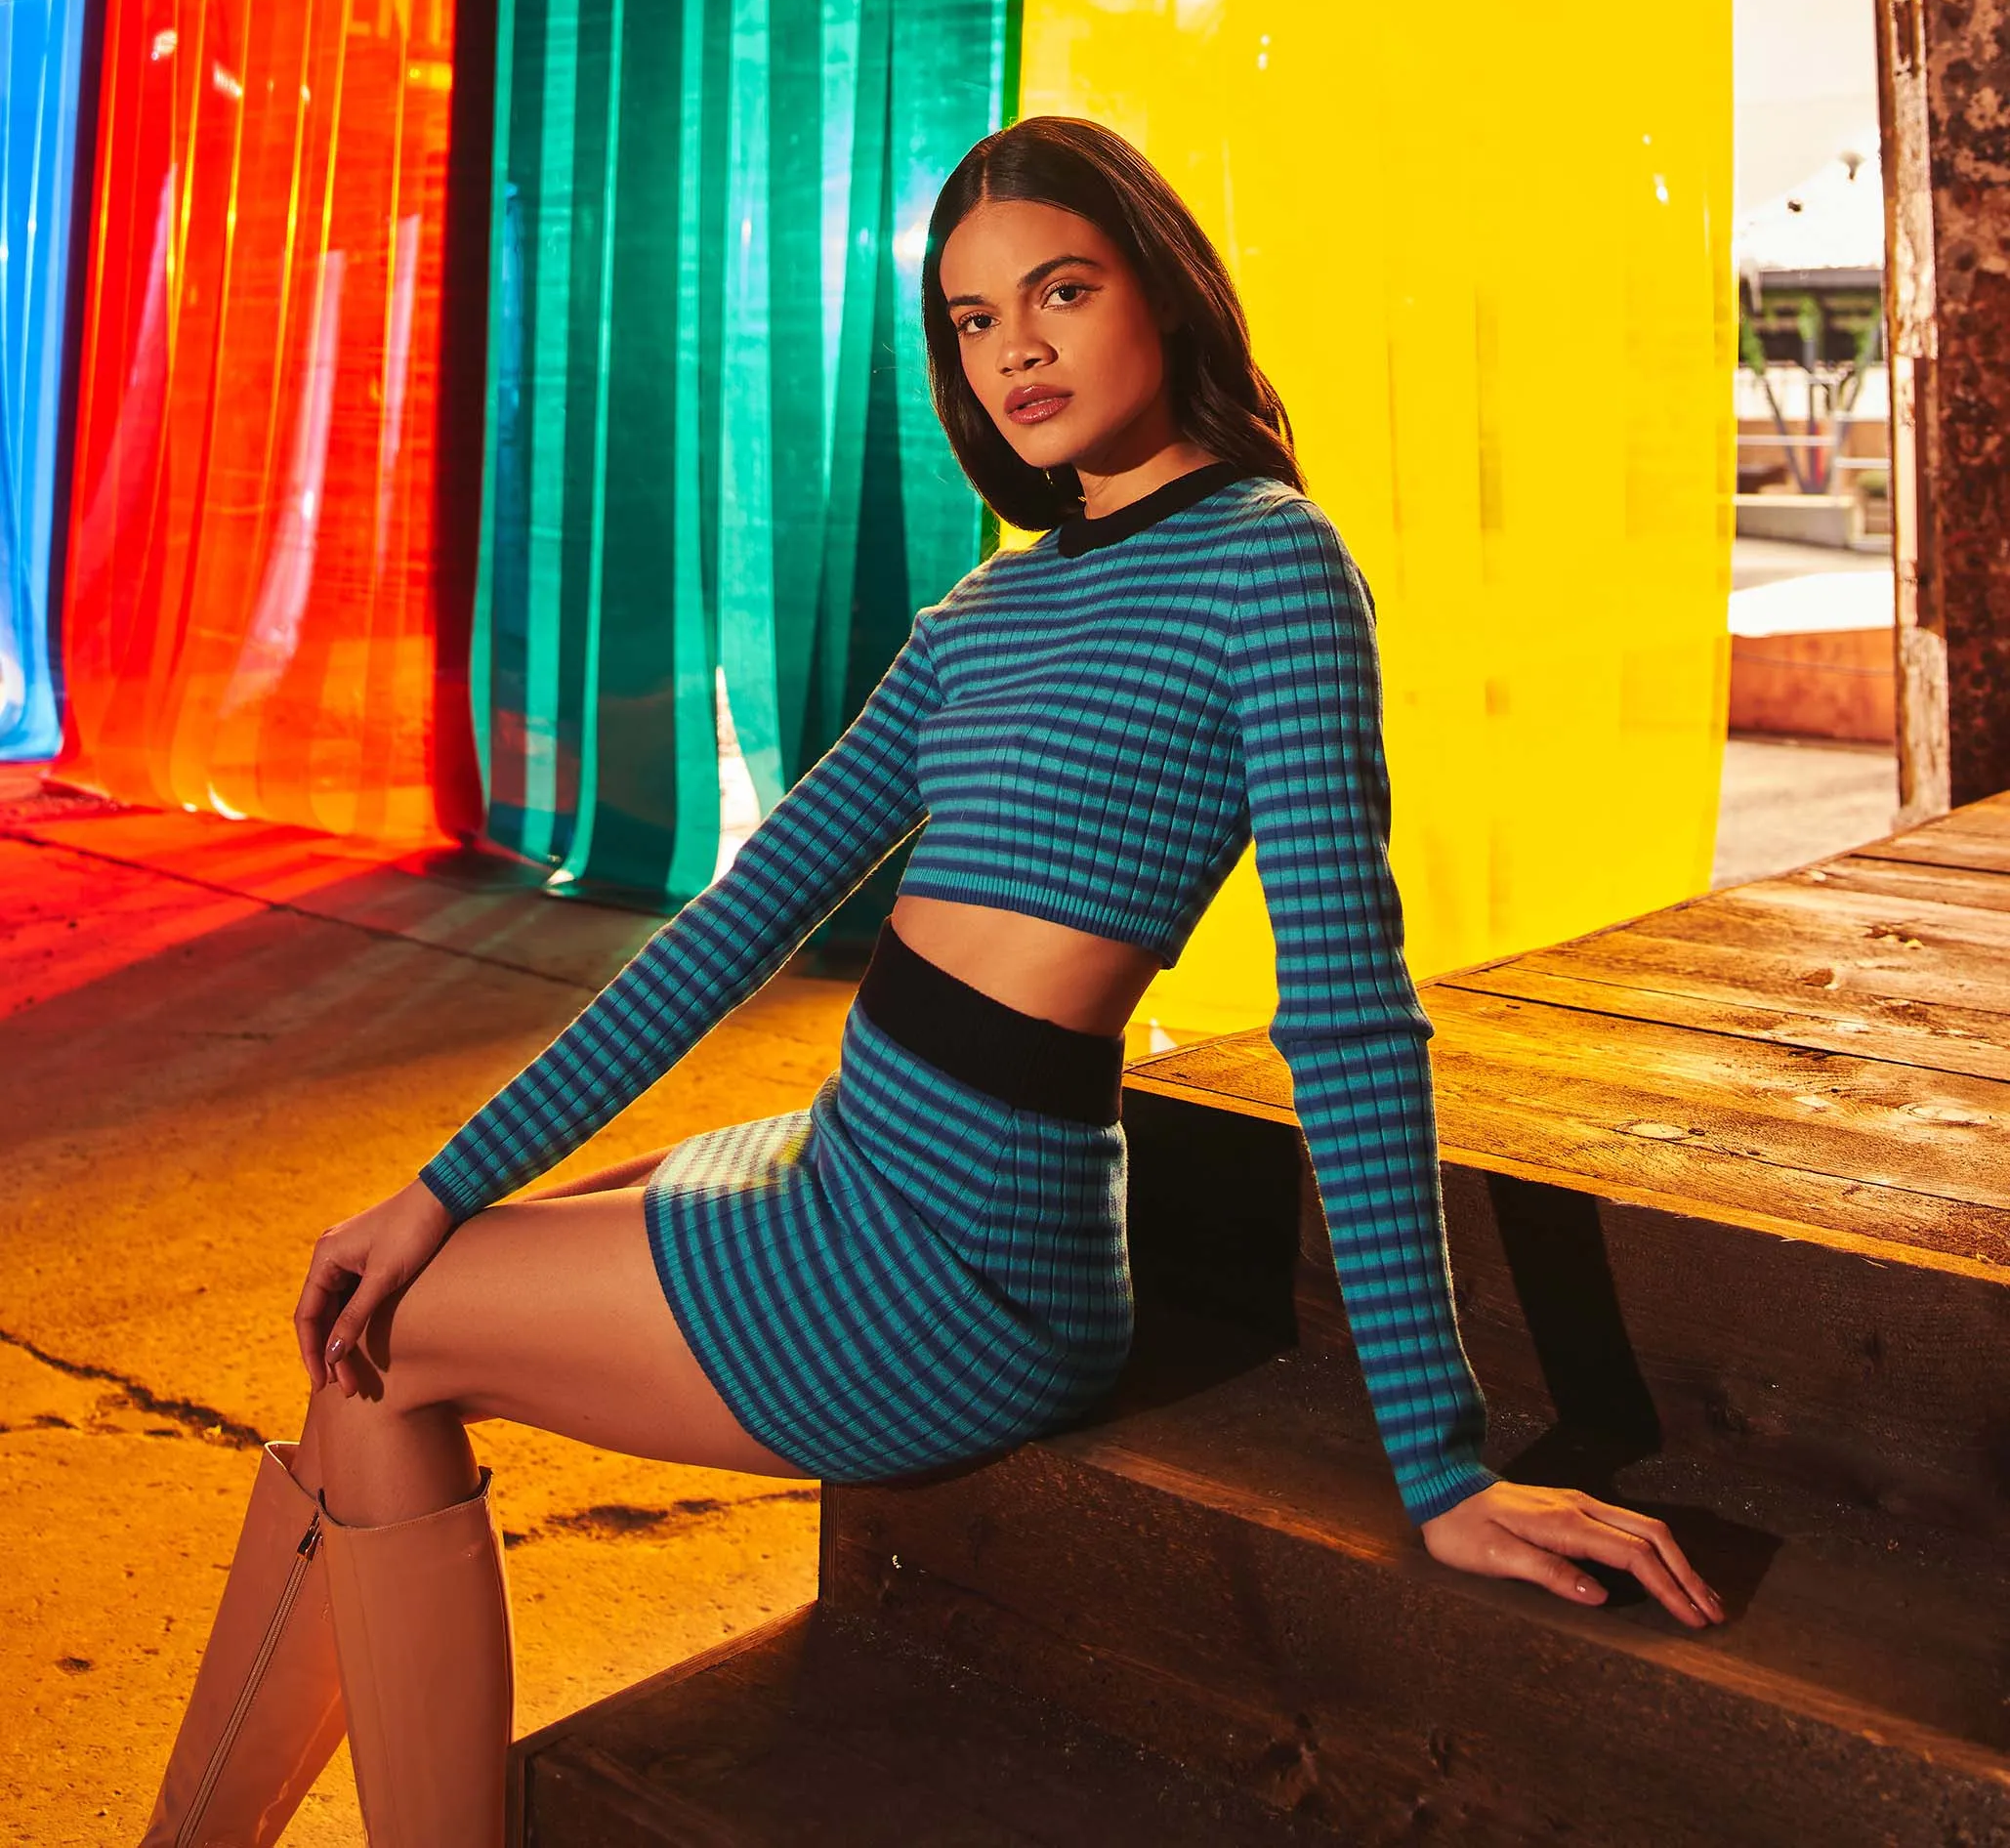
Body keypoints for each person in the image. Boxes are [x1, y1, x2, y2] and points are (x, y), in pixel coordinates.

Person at [140, 115, 1720, 1844]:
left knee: (386, 1345)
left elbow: (1350, 1013)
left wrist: (1442, 1466)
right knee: (382, 1313)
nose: (1017, 349)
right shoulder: (984, 613)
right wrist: (439, 1182)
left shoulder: (1270, 565)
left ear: (1166, 295)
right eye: (972, 321)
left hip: (959, 1259)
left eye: (1059, 289)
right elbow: (737, 926)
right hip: (839, 1164)